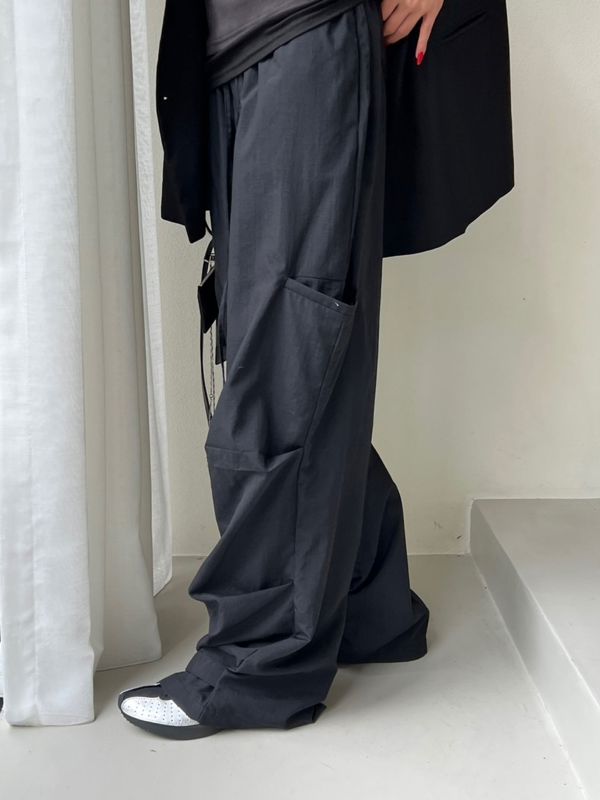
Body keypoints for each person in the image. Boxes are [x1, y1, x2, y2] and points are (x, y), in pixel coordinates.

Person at [117, 0, 442, 740]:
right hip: (232, 54)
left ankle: (254, 668)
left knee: (288, 350)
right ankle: (369, 604)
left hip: (307, 34)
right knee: (290, 340)